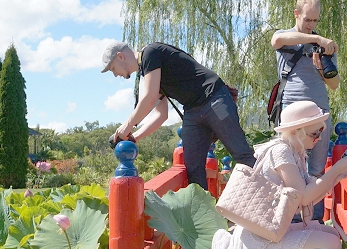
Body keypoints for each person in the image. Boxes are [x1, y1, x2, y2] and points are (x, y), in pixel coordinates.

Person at [211, 101, 347, 249]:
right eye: (313, 134)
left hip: (269, 229)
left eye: (319, 133)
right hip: (259, 236)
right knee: (331, 245)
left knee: (330, 235)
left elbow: (308, 191)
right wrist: (335, 171)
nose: (317, 139)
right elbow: (304, 197)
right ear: (296, 131)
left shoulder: (294, 151)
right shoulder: (281, 152)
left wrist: (336, 176)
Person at [101, 41, 255, 189]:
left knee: (241, 154)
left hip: (216, 99)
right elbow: (161, 115)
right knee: (193, 171)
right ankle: (203, 214)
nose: (115, 75)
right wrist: (134, 137)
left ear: (120, 56)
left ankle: (273, 202)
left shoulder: (151, 52)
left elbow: (150, 96)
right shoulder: (148, 72)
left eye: (113, 69)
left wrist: (126, 126)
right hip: (193, 112)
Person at [270, 0, 340, 223]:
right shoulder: (286, 37)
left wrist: (321, 69)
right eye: (308, 19)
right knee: (289, 167)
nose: (311, 25)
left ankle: (314, 221)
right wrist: (317, 39)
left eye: (316, 21)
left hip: (319, 112)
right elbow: (276, 41)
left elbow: (335, 84)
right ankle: (289, 220)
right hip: (292, 113)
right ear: (296, 13)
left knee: (316, 169)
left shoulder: (325, 47)